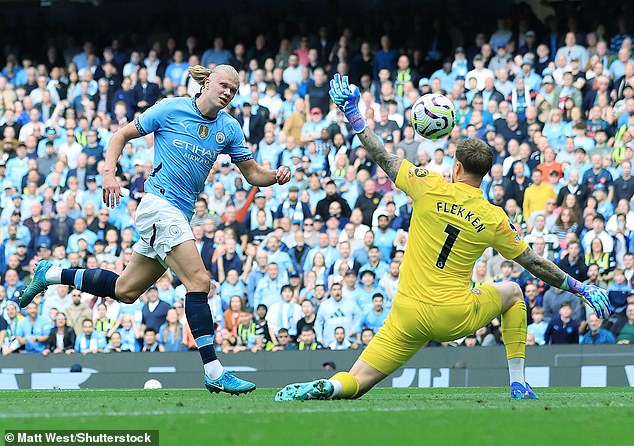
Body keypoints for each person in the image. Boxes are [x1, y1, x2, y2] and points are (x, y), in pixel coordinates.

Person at [276, 74, 611, 402]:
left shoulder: (427, 185)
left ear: (456, 167)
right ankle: (519, 384)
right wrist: (579, 287)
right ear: (484, 173)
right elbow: (534, 263)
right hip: (454, 316)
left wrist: (354, 115)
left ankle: (334, 387)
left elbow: (382, 156)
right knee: (513, 292)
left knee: (358, 381)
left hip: (408, 313)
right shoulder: (494, 217)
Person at [19, 65, 291, 395]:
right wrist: (108, 173)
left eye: (234, 91)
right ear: (207, 82)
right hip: (158, 206)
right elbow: (120, 134)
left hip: (179, 214)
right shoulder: (169, 108)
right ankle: (214, 370)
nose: (228, 93)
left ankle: (51, 274)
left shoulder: (230, 129)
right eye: (223, 86)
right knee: (200, 281)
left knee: (125, 291)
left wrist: (274, 176)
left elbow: (252, 174)